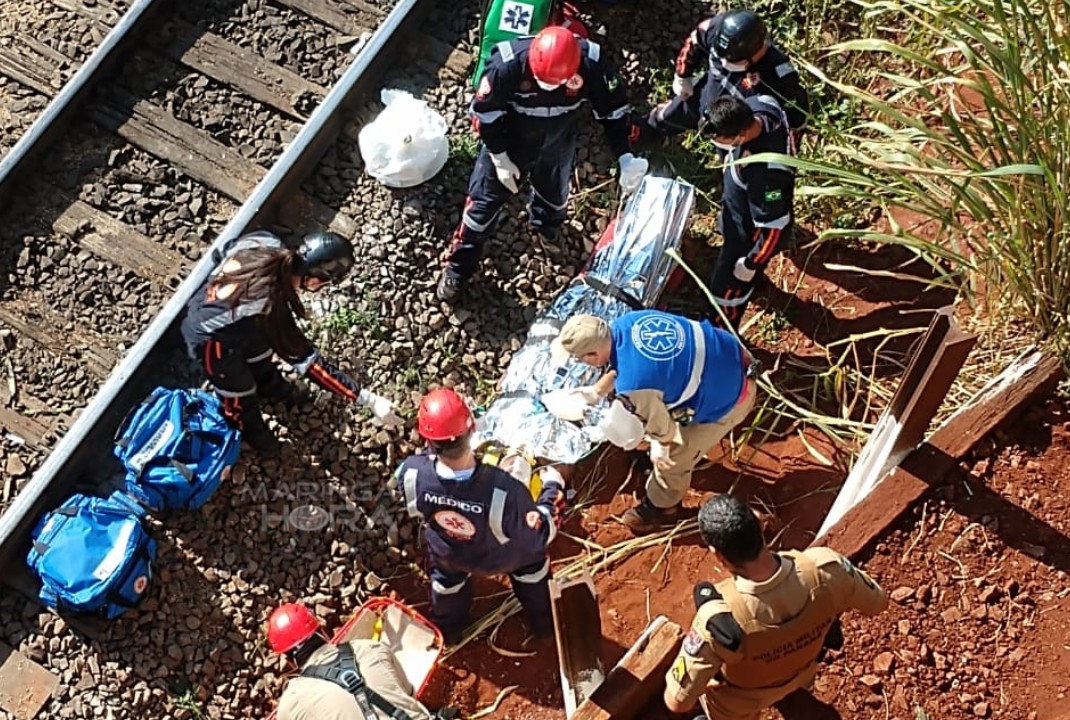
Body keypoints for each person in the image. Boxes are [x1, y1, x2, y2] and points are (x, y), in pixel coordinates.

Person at [437, 25, 648, 303]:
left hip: (557, 140)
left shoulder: (592, 63)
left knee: (555, 196)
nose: (548, 87)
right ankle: (458, 266)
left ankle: (547, 228)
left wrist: (624, 155)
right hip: (509, 139)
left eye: (557, 83)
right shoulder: (507, 64)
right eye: (541, 81)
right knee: (480, 207)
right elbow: (484, 116)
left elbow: (614, 110)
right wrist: (499, 157)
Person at [663, 494, 889, 719]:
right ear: (761, 525)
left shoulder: (718, 620)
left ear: (717, 555)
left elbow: (677, 702)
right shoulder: (826, 568)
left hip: (744, 700)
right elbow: (878, 603)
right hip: (804, 672)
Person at [180, 231, 401, 456]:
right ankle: (254, 434)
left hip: (222, 311)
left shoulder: (266, 241)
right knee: (238, 393)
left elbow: (224, 250)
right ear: (315, 279)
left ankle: (269, 385)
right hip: (208, 337)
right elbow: (307, 361)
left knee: (260, 348)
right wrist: (367, 399)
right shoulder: (270, 302)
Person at [550, 310, 755, 534]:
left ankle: (663, 508)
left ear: (592, 355)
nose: (581, 362)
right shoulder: (627, 322)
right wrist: (597, 391)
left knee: (674, 456)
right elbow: (631, 363)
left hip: (731, 396)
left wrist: (660, 449)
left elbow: (664, 429)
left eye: (581, 358)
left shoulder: (636, 387)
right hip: (732, 355)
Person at [397, 388, 566, 644]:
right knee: (532, 568)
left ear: (428, 441)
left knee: (446, 585)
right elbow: (540, 533)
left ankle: (447, 633)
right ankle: (546, 626)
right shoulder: (504, 488)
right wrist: (552, 488)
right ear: (472, 429)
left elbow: (418, 504)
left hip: (449, 553)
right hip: (499, 558)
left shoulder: (411, 473)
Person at [634, 8, 809, 141]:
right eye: (721, 57)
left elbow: (795, 120)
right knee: (667, 116)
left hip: (734, 127)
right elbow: (694, 42)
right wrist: (682, 75)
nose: (725, 64)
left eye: (735, 62)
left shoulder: (780, 77)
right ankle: (639, 131)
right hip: (703, 95)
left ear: (759, 49)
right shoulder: (717, 27)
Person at [703, 94, 795, 330]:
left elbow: (774, 227)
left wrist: (750, 263)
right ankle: (757, 283)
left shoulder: (767, 176)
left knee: (726, 287)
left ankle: (722, 330)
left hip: (748, 237)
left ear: (740, 136)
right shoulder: (762, 105)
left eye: (723, 140)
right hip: (738, 210)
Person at [267, 602, 435, 720]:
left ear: (289, 660)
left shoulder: (292, 703)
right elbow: (408, 694)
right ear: (323, 632)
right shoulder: (370, 648)